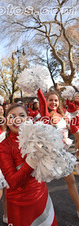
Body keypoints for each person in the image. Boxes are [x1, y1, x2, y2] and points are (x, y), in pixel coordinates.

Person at [0, 103, 57, 226]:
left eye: (21, 115)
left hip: (42, 199)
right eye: (12, 116)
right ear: (7, 121)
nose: (17, 119)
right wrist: (32, 162)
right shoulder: (3, 147)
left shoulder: (39, 139)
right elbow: (12, 182)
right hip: (19, 206)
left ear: (28, 119)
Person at [37, 89, 79, 218]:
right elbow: (42, 102)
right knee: (39, 186)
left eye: (56, 100)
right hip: (48, 156)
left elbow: (71, 131)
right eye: (51, 100)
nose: (53, 102)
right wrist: (38, 86)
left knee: (71, 181)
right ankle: (38, 214)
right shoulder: (45, 114)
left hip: (62, 154)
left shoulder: (63, 115)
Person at [66, 92, 79, 160]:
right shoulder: (72, 105)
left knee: (77, 140)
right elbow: (67, 103)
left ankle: (77, 156)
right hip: (73, 125)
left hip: (78, 125)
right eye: (76, 96)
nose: (77, 97)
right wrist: (67, 96)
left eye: (78, 96)